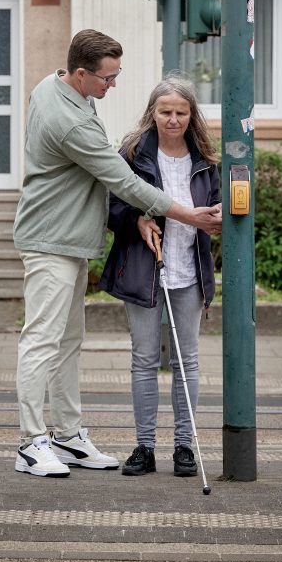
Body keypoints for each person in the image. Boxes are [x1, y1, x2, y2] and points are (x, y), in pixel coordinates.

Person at [12, 31, 222, 478]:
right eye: (108, 78)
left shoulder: (53, 86)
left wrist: (143, 218)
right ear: (82, 73)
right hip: (50, 240)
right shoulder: (68, 121)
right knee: (42, 341)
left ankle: (68, 436)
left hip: (68, 242)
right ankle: (31, 443)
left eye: (117, 75)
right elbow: (122, 183)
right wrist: (188, 216)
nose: (113, 86)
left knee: (67, 343)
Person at [99, 75, 221, 478]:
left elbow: (217, 207)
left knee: (187, 361)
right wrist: (136, 220)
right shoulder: (132, 153)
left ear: (192, 115)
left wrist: (218, 219)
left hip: (189, 272)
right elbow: (111, 207)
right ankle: (144, 447)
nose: (172, 119)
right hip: (143, 271)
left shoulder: (204, 157)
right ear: (152, 112)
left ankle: (185, 447)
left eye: (180, 113)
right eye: (165, 111)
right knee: (144, 359)